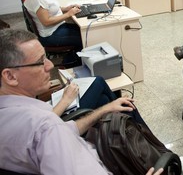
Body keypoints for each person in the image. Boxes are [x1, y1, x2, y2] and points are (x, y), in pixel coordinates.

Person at [0, 29, 163, 175]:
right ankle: (161, 155)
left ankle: (156, 150)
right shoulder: (46, 127)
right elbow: (51, 130)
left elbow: (63, 129)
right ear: (10, 76)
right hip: (103, 164)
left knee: (106, 101)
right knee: (110, 98)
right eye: (40, 61)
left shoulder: (12, 115)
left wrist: (104, 110)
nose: (50, 66)